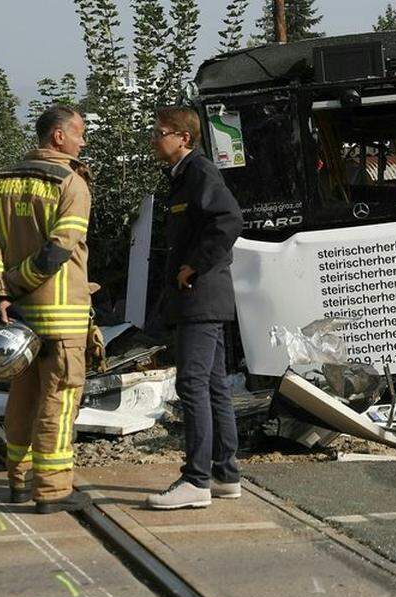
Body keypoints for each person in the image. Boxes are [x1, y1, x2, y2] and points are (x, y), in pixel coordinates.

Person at [0, 105, 93, 514]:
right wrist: (18, 282)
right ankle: (54, 490)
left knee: (22, 399)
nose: (83, 140)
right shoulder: (72, 183)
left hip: (17, 320)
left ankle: (19, 480)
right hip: (62, 317)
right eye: (78, 132)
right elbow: (60, 248)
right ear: (58, 136)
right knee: (58, 401)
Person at [146, 106, 244, 510]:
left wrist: (194, 265)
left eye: (160, 132)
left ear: (183, 137)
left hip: (200, 297)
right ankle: (225, 474)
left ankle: (196, 481)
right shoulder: (183, 177)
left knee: (192, 383)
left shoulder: (199, 172)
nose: (155, 140)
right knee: (214, 384)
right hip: (205, 297)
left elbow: (229, 219)